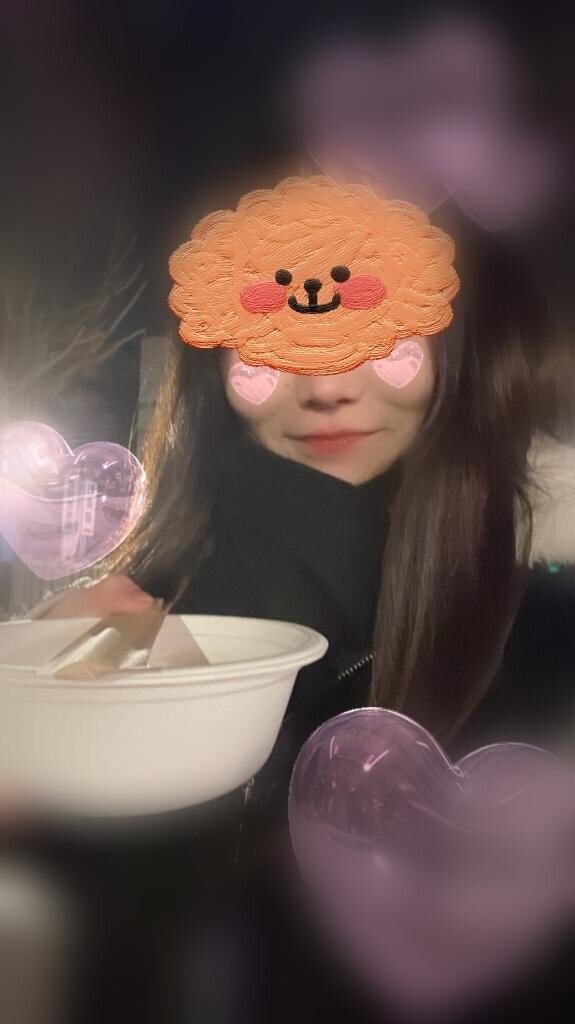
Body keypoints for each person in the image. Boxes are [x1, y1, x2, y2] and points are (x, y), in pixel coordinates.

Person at [35, 191, 575, 1023]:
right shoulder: (145, 603)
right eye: (269, 346)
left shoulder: (536, 612)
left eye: (382, 338)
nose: (324, 389)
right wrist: (55, 718)